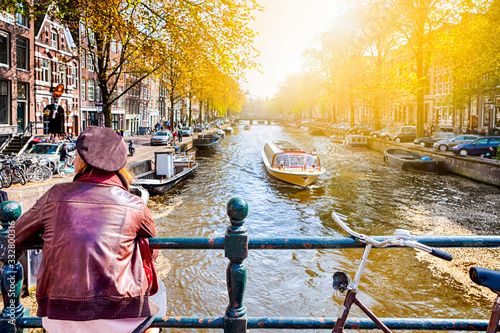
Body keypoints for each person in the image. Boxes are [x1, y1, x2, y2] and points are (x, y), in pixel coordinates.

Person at [15, 126, 166, 333]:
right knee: (160, 292)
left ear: (82, 161)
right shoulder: (135, 204)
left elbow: (13, 237)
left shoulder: (54, 195)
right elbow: (154, 253)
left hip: (58, 316)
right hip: (118, 316)